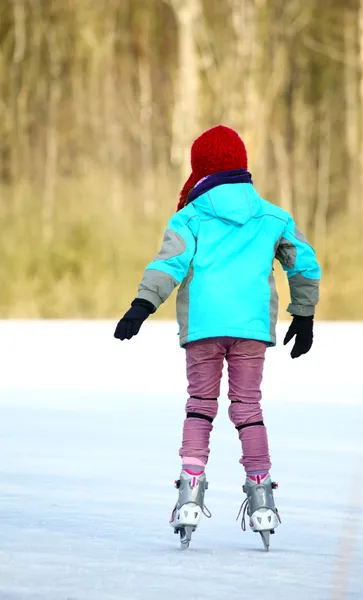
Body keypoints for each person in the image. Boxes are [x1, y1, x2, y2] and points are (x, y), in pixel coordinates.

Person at [114, 125, 321, 550]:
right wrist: (303, 314)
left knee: (201, 407)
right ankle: (261, 492)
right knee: (248, 407)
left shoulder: (189, 216)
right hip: (250, 331)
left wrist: (142, 305)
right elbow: (304, 263)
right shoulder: (272, 216)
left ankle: (190, 491)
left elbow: (169, 264)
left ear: (200, 167)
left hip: (204, 329)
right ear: (242, 166)